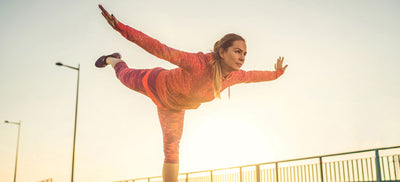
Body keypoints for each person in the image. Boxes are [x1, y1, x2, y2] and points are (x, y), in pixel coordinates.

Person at [97, 4, 288, 182]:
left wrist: (277, 74)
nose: (242, 58)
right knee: (124, 76)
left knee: (171, 151)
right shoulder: (197, 63)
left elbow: (253, 76)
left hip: (173, 109)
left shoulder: (232, 77)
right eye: (238, 52)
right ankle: (112, 60)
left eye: (245, 54)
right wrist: (121, 28)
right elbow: (161, 49)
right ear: (222, 52)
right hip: (154, 83)